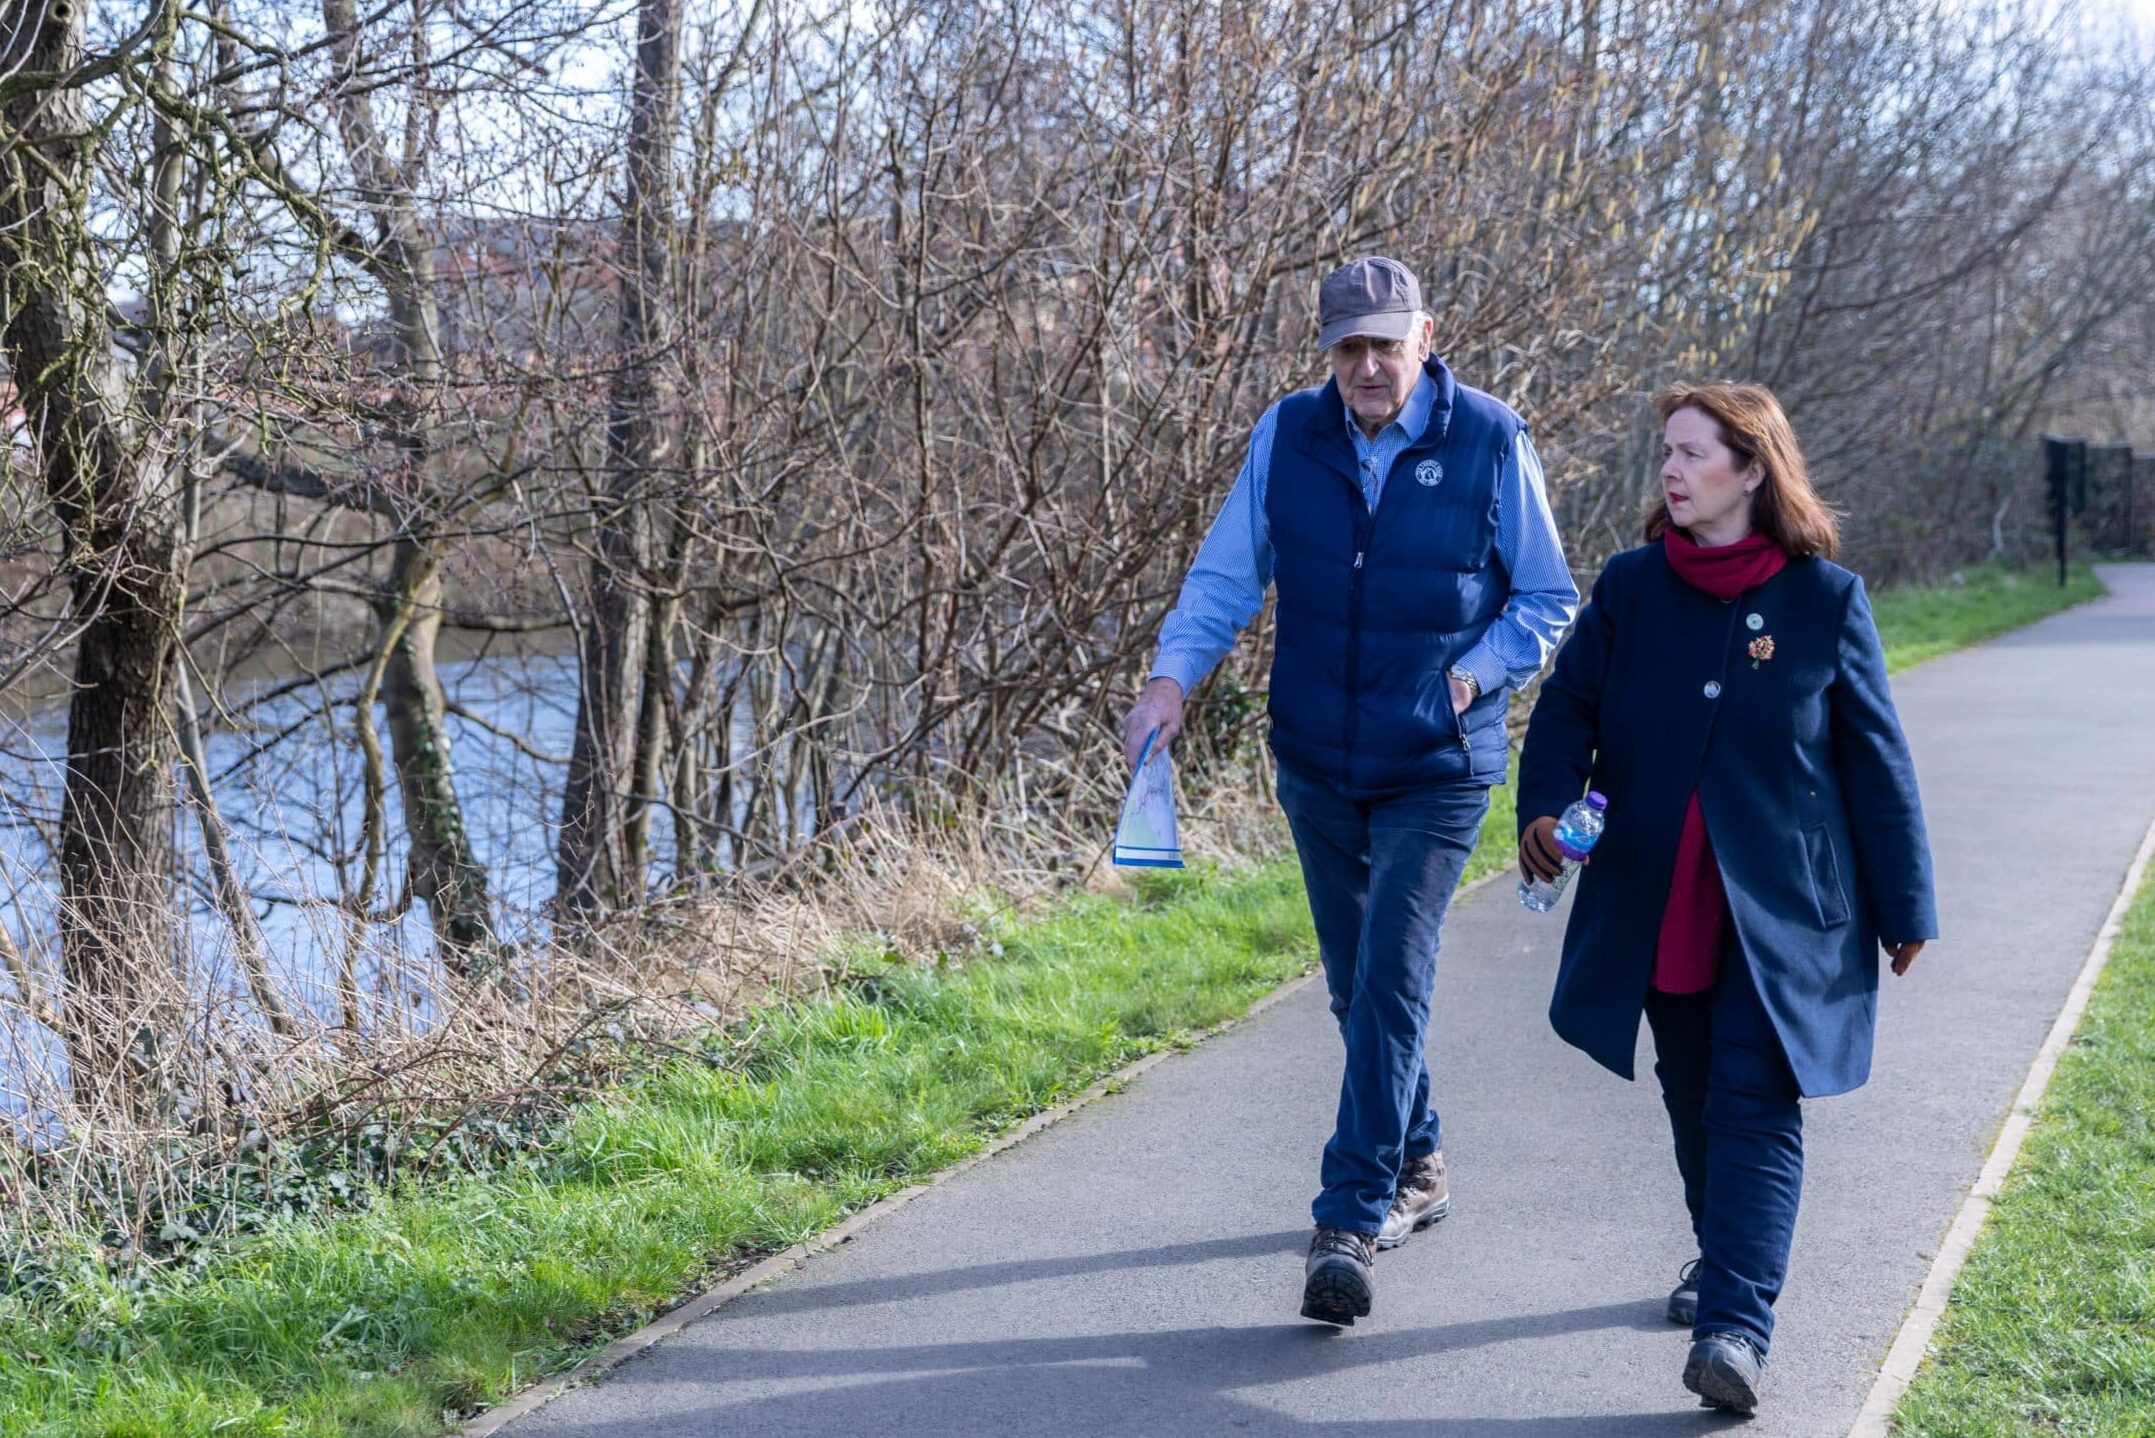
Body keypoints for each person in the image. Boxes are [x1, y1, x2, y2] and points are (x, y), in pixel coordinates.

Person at [1123, 256, 1578, 1325]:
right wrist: (1168, 679)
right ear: (1325, 349)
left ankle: (1348, 1215)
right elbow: (1226, 577)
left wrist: (1472, 672)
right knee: (1351, 985)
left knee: (1390, 977)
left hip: (1438, 765)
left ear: (1426, 335)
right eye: (1348, 346)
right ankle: (1419, 1161)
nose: (1368, 366)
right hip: (1319, 760)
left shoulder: (1489, 439)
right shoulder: (1288, 434)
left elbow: (1549, 597)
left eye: (1385, 343)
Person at [1515, 381, 1936, 1414]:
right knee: (1693, 1090)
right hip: (1658, 894)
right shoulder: (1627, 587)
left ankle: (1737, 1326)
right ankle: (1722, 1259)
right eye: (1667, 449)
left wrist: (1905, 902)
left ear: (1752, 469)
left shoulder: (1824, 599)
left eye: (1694, 452)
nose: (1671, 468)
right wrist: (1544, 809)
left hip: (1783, 914)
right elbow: (1566, 710)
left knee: (1755, 1100)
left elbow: (1874, 762)